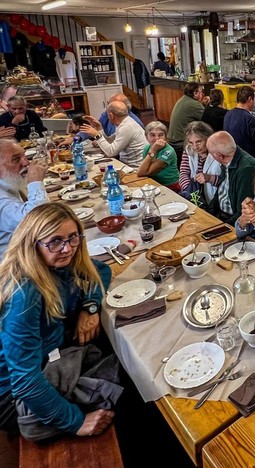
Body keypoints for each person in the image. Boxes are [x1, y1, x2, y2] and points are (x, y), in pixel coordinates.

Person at [0, 203, 116, 439]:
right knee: (119, 391)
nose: (67, 248)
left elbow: (100, 270)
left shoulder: (59, 261)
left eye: (73, 237)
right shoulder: (24, 293)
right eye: (54, 241)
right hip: (14, 396)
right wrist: (77, 422)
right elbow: (25, 379)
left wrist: (90, 307)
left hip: (53, 356)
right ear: (31, 244)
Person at [0, 138, 48, 259]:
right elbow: (40, 221)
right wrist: (36, 182)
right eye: (16, 159)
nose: (26, 163)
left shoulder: (7, 182)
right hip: (14, 267)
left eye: (24, 156)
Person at [206, 131, 255, 224]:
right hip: (221, 216)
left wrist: (221, 226)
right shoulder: (227, 160)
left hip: (233, 222)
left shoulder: (247, 169)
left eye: (210, 153)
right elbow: (220, 192)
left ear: (219, 156)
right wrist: (209, 215)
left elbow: (242, 213)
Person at [79, 101, 147, 168]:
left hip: (134, 168)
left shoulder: (127, 127)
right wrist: (99, 128)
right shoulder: (125, 122)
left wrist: (97, 135)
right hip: (127, 165)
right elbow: (111, 141)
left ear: (111, 115)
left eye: (107, 114)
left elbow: (111, 152)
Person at [179, 121, 220, 204]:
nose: (195, 147)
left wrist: (210, 178)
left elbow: (228, 182)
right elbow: (183, 173)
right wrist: (190, 189)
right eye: (191, 142)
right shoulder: (188, 150)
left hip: (217, 199)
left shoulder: (219, 153)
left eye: (198, 142)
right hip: (198, 198)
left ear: (208, 138)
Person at [222, 85, 255, 159]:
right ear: (250, 99)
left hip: (231, 155)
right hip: (248, 157)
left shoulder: (228, 114)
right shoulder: (250, 119)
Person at [136, 121, 180, 190]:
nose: (157, 138)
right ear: (146, 137)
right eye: (152, 135)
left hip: (169, 186)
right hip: (152, 183)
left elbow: (142, 173)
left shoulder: (168, 151)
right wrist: (152, 150)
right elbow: (143, 170)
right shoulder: (146, 148)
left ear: (165, 137)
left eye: (161, 135)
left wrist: (153, 150)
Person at [167, 83, 205, 159]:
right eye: (201, 92)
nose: (203, 94)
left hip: (172, 141)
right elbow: (208, 118)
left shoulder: (183, 99)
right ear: (195, 93)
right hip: (181, 143)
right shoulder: (194, 104)